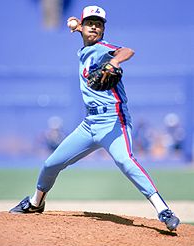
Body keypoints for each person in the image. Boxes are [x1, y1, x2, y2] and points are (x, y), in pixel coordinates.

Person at [10, 6, 180, 231]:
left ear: (103, 30)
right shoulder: (83, 50)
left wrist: (115, 62)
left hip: (114, 121)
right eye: (90, 23)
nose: (95, 27)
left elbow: (127, 50)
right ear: (82, 27)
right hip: (89, 125)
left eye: (99, 24)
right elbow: (77, 26)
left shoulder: (102, 49)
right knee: (51, 164)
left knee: (125, 161)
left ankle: (163, 210)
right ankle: (36, 202)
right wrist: (75, 25)